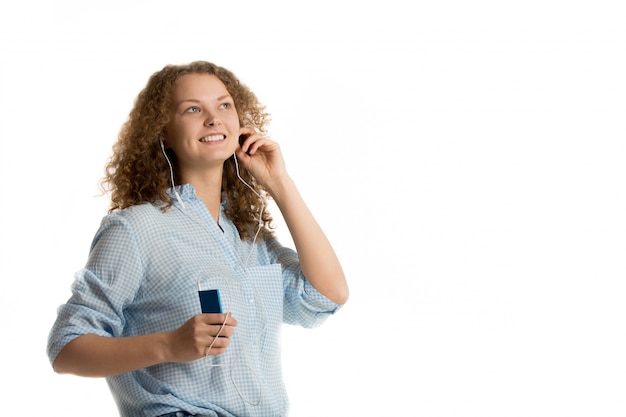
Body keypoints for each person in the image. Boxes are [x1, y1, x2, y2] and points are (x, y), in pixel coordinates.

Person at [47, 60, 349, 417]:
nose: (214, 118)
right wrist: (168, 345)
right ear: (162, 132)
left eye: (224, 105)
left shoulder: (248, 236)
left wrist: (280, 184)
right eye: (193, 109)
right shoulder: (136, 229)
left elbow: (326, 295)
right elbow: (66, 348)